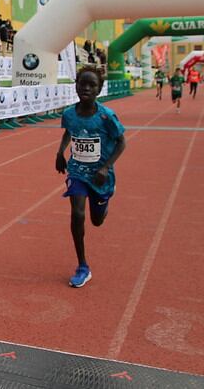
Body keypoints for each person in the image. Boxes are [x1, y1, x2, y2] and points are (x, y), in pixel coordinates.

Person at [55, 65, 126, 288]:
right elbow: (69, 132)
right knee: (77, 214)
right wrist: (60, 152)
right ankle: (82, 266)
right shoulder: (68, 114)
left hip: (100, 177)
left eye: (91, 85)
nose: (86, 88)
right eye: (82, 84)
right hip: (77, 172)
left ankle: (103, 205)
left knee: (96, 220)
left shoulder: (106, 116)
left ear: (99, 89)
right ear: (76, 86)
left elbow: (122, 142)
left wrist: (105, 168)